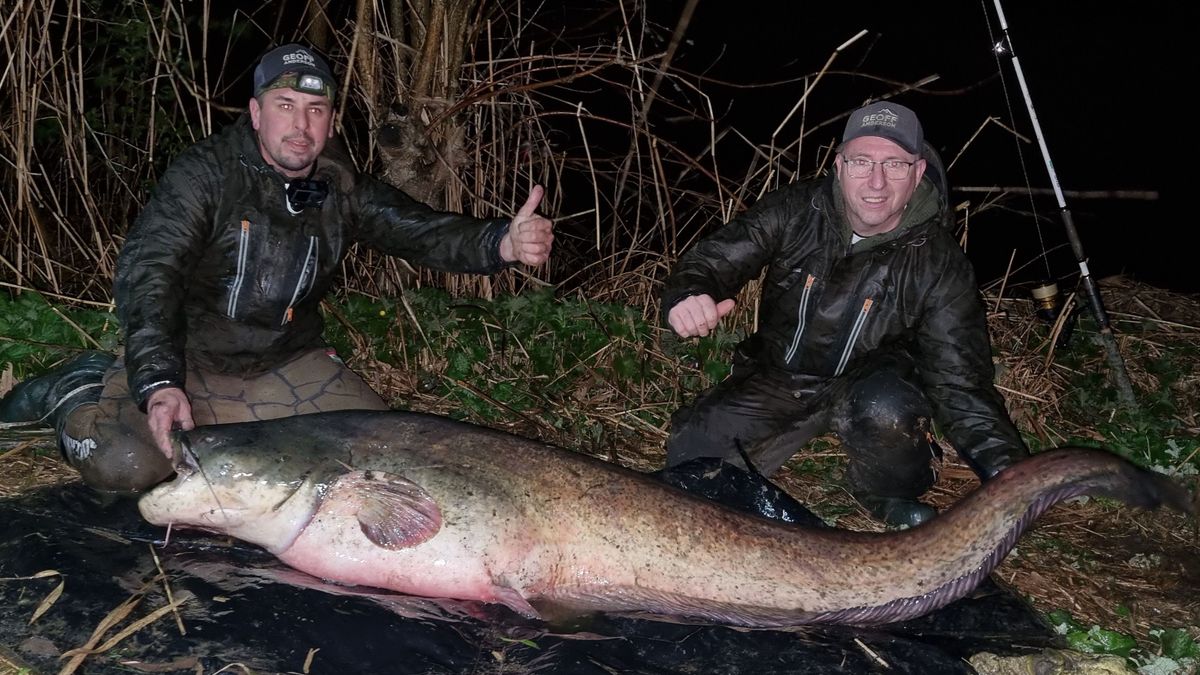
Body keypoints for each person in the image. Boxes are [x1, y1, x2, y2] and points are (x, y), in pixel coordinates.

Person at [0, 43, 553, 493]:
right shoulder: (206, 175)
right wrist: (160, 381)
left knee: (386, 468)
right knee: (124, 467)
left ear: (331, 119)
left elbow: (416, 229)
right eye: (285, 105)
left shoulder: (336, 184)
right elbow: (151, 275)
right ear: (257, 112)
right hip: (188, 359)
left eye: (315, 110)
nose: (300, 125)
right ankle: (74, 393)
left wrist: (501, 242)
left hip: (288, 365)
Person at [661, 100, 1028, 528]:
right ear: (839, 165)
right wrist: (690, 294)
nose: (875, 181)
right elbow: (712, 262)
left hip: (870, 386)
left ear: (918, 172)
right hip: (780, 377)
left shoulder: (941, 264)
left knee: (888, 410)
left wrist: (1013, 478)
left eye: (894, 164)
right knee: (690, 459)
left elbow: (961, 384)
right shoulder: (795, 209)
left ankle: (883, 491)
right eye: (861, 162)